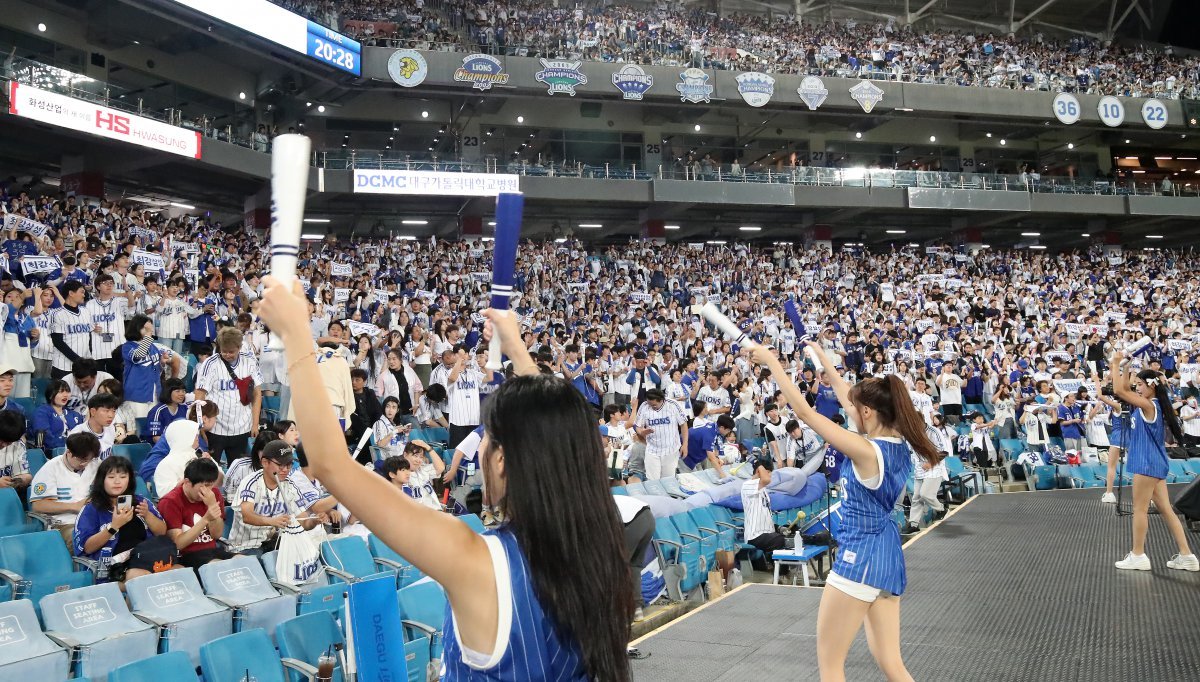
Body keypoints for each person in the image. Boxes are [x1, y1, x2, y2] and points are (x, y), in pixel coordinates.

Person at [258, 277, 633, 680]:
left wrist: (297, 335)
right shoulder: (602, 546)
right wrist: (514, 344)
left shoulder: (478, 560)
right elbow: (560, 431)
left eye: (487, 439)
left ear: (503, 459)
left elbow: (332, 464)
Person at [750, 340, 938, 682]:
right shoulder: (896, 441)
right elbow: (844, 392)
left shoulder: (866, 450)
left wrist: (772, 363)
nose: (852, 409)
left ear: (868, 412)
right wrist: (822, 358)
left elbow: (806, 414)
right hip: (886, 556)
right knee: (891, 664)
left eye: (857, 408)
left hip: (858, 559)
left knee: (831, 668)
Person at [1109, 354, 1198, 571]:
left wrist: (1114, 364)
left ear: (1151, 387)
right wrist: (1127, 366)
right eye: (1136, 384)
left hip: (1146, 463)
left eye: (1140, 384)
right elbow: (1126, 390)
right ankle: (1187, 556)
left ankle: (1138, 555)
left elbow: (1120, 391)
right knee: (1167, 509)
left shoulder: (1149, 406)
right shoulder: (1153, 404)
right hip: (1156, 463)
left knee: (1139, 510)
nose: (1136, 388)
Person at [72, 456, 171, 584]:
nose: (117, 482)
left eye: (123, 477)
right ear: (102, 480)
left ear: (130, 480)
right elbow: (87, 548)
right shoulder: (91, 509)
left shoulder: (141, 502)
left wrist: (147, 515)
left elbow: (162, 532)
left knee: (178, 571)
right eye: (111, 477)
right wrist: (113, 527)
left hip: (146, 558)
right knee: (143, 579)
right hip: (113, 570)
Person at [227, 439, 322, 555]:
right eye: (280, 465)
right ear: (265, 462)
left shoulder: (290, 485)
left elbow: (303, 522)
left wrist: (314, 521)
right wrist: (272, 521)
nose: (285, 470)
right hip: (246, 546)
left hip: (275, 543)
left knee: (305, 553)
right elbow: (247, 516)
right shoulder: (251, 482)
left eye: (289, 465)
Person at [194, 326, 262, 463]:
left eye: (231, 352)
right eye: (224, 351)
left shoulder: (250, 362)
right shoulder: (210, 364)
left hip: (242, 426)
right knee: (211, 469)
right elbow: (199, 396)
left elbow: (257, 394)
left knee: (237, 469)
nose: (227, 355)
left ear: (239, 347)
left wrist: (255, 423)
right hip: (216, 427)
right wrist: (200, 425)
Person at [157, 457, 231, 567]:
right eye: (204, 485)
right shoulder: (170, 502)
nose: (208, 490)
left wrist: (212, 505)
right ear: (187, 482)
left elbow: (216, 534)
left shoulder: (213, 494)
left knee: (242, 561)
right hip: (186, 556)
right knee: (218, 567)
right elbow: (177, 544)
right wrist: (205, 519)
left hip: (212, 550)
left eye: (210, 485)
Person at [30, 432, 102, 543]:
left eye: (89, 459)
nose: (85, 464)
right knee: (83, 539)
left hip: (94, 519)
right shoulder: (51, 468)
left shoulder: (95, 464)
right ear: (69, 452)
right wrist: (74, 506)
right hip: (64, 524)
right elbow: (38, 505)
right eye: (82, 460)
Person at [634, 388, 688, 480]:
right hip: (652, 450)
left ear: (662, 400)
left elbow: (683, 425)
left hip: (670, 450)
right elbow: (637, 426)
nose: (651, 406)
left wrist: (685, 445)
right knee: (652, 481)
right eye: (649, 404)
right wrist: (641, 432)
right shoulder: (644, 405)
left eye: (654, 405)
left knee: (667, 481)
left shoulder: (673, 404)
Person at [741, 454, 788, 559]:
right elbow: (766, 479)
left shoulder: (763, 490)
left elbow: (765, 516)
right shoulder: (748, 485)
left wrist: (778, 528)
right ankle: (781, 571)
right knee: (781, 541)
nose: (769, 477)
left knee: (793, 533)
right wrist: (757, 463)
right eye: (768, 474)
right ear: (759, 471)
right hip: (755, 536)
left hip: (767, 533)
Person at [29, 379, 83, 452]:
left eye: (67, 391)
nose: (65, 395)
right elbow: (47, 439)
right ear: (51, 395)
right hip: (52, 453)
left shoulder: (74, 415)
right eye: (61, 392)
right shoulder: (41, 413)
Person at [67, 393, 120, 460]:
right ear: (93, 412)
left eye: (114, 411)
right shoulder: (78, 433)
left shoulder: (110, 428)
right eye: (106, 411)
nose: (111, 415)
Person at [145, 378, 187, 443]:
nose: (182, 394)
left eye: (183, 391)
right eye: (177, 391)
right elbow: (156, 438)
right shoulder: (157, 411)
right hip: (159, 448)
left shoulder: (185, 408)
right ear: (168, 392)